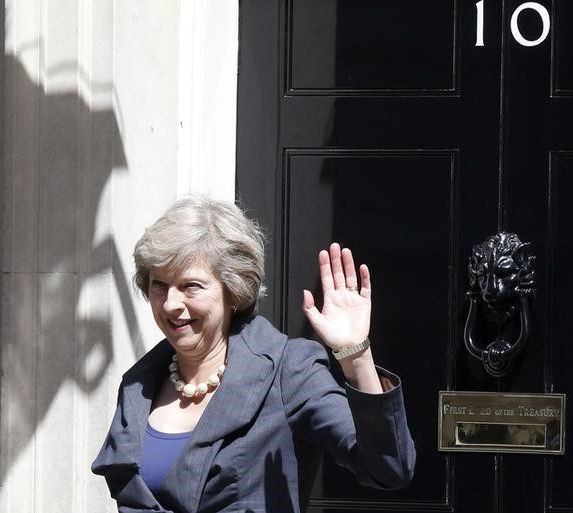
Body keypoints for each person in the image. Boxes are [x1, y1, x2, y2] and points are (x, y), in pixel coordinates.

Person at [91, 195, 415, 513]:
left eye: (191, 286)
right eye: (159, 285)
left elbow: (388, 469)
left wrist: (355, 355)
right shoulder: (139, 385)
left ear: (233, 289)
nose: (171, 303)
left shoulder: (287, 370)